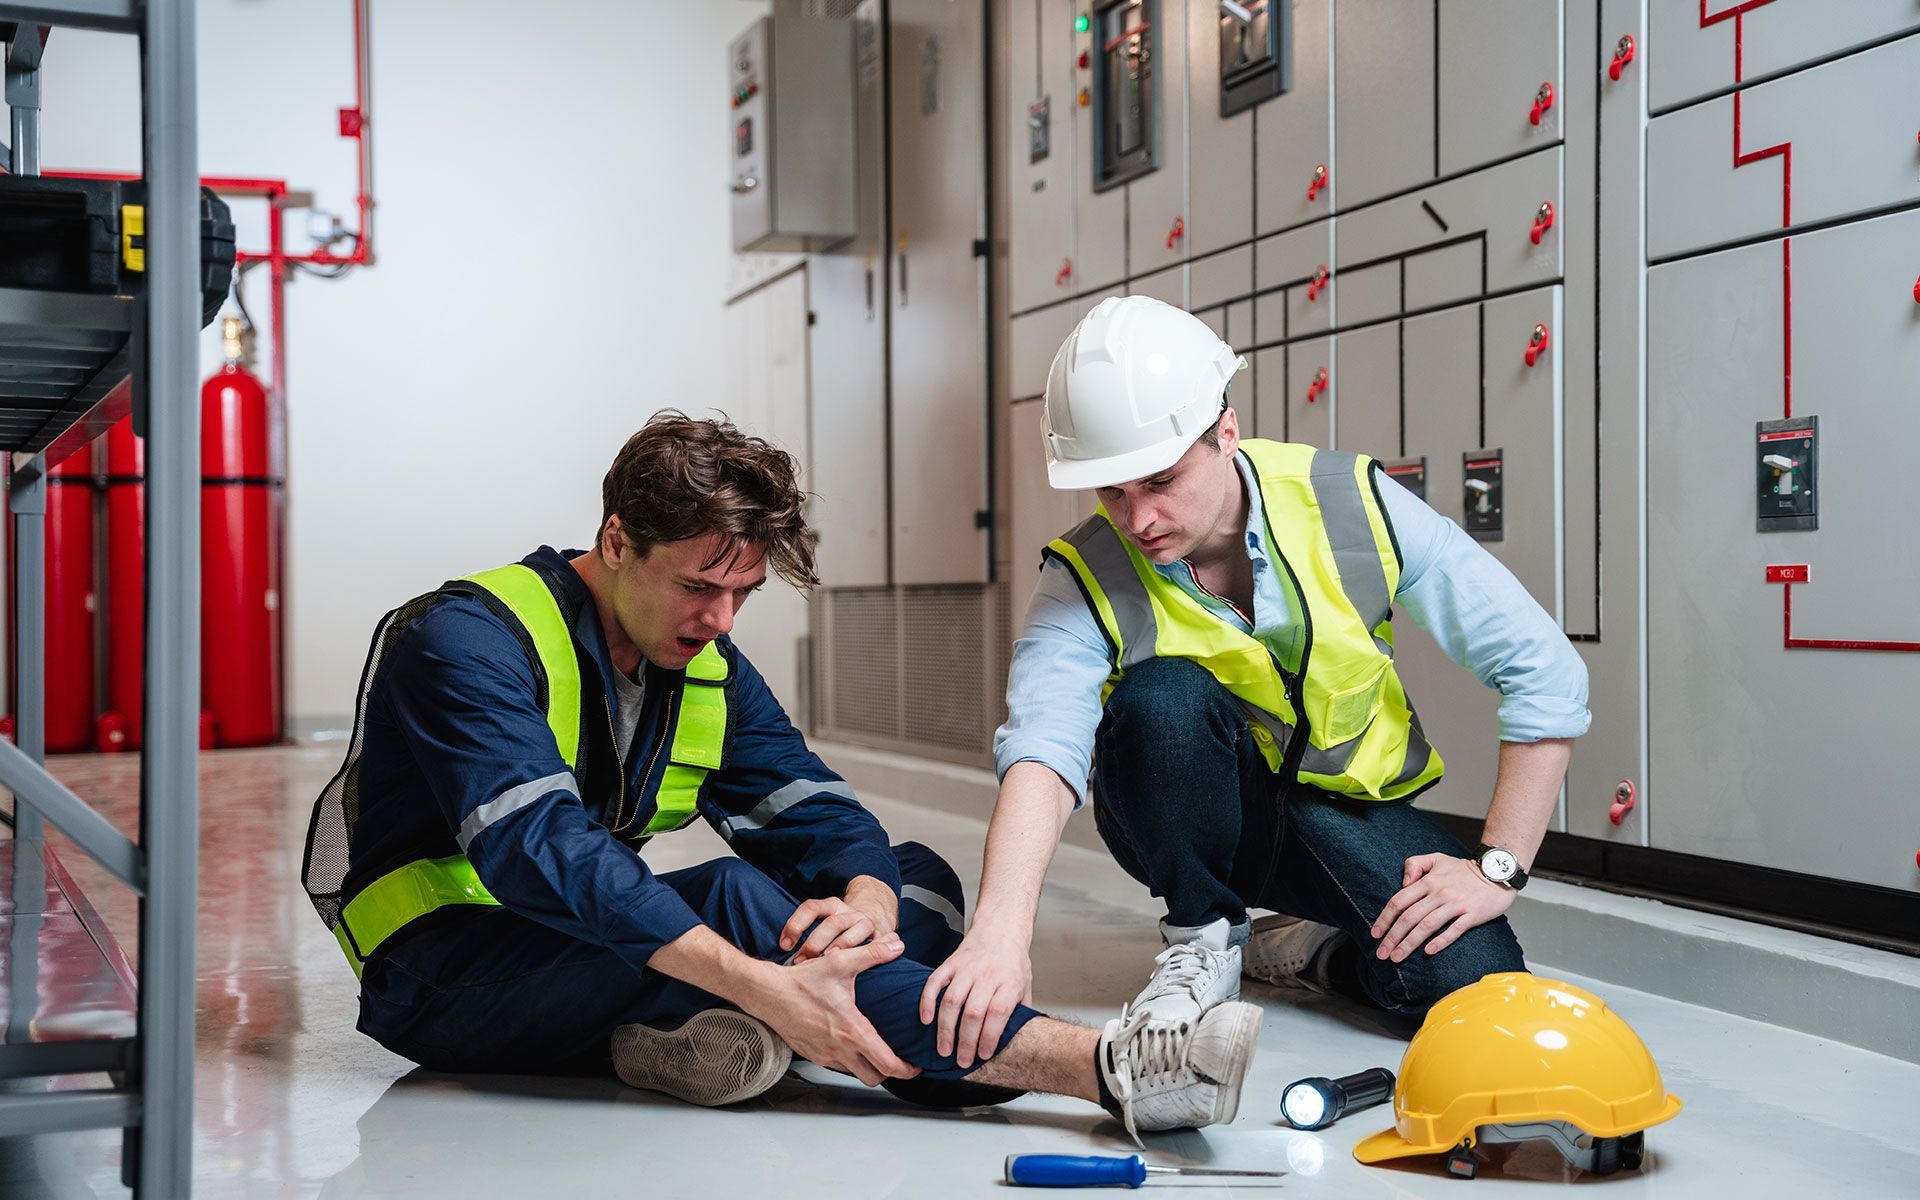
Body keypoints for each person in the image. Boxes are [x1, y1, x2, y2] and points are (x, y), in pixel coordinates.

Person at [300, 410, 1260, 1142]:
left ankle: (680, 1037)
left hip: (584, 955)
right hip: (441, 973)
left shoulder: (698, 657)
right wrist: (762, 982)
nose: (720, 620)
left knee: (908, 876)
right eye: (697, 586)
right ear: (617, 541)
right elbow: (540, 851)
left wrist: (866, 906)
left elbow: (819, 809)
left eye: (742, 593)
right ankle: (1111, 1068)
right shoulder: (464, 639)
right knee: (737, 903)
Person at [922, 296, 1591, 1068]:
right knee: (1162, 698)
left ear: (1226, 433)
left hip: (1342, 813)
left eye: (1161, 480)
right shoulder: (1085, 572)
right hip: (1190, 823)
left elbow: (1544, 670)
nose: (1138, 519)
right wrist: (999, 935)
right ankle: (1203, 938)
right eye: (1112, 491)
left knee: (1473, 982)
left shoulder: (1348, 503)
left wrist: (1496, 867)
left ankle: (1310, 949)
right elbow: (1043, 746)